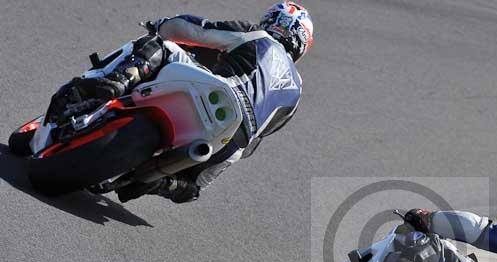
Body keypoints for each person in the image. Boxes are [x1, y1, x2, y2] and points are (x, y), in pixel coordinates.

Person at [42, 2, 313, 204]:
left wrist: (161, 26)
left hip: (219, 91)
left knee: (162, 46)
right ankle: (156, 182)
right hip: (233, 139)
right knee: (193, 187)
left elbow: (194, 29)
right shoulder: (297, 93)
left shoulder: (257, 36)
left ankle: (116, 82)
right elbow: (262, 136)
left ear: (273, 21)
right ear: (301, 44)